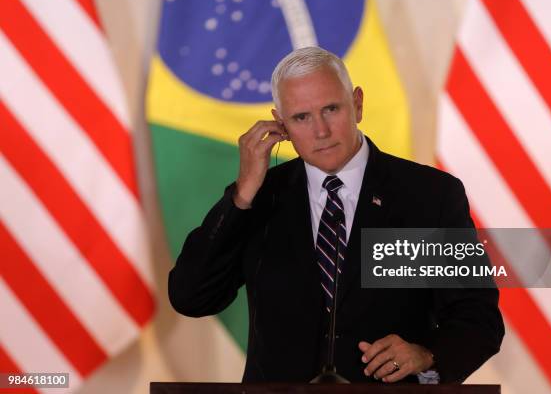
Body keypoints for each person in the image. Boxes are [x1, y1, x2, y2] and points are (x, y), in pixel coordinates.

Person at [168, 47, 504, 384]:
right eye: (301, 117)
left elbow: (478, 318)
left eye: (331, 109)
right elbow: (192, 297)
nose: (321, 131)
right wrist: (241, 196)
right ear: (280, 122)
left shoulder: (428, 196)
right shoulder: (261, 197)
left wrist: (428, 355)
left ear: (357, 103)